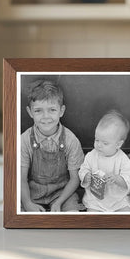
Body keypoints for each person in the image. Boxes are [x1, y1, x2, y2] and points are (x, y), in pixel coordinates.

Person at [20, 80, 84, 212]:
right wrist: (27, 203)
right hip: (32, 194)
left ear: (61, 111)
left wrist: (59, 203)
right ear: (30, 112)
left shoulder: (71, 140)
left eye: (52, 110)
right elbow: (21, 179)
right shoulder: (24, 140)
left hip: (63, 194)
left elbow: (74, 179)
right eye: (38, 111)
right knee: (18, 215)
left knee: (72, 216)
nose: (46, 117)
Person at [79, 110, 130, 212]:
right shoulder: (91, 156)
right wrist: (86, 176)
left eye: (105, 143)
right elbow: (83, 169)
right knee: (91, 217)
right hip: (95, 202)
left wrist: (117, 179)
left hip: (119, 202)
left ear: (118, 144)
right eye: (97, 140)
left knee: (126, 214)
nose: (99, 145)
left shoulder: (123, 159)